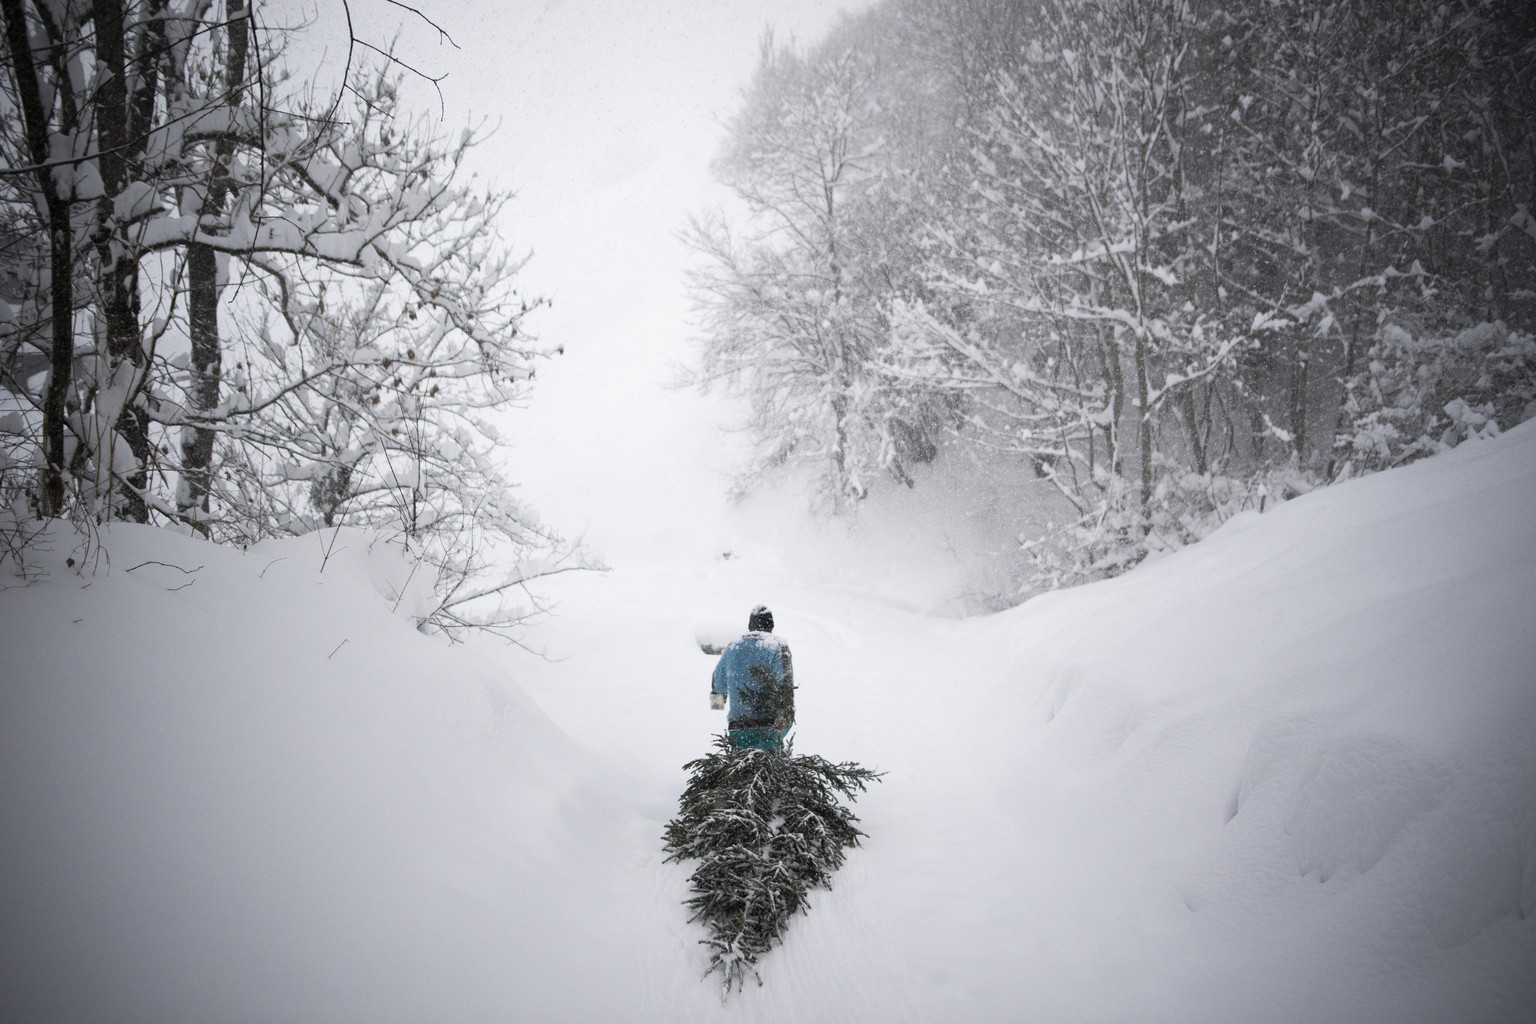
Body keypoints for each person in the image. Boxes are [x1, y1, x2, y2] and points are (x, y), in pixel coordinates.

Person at [710, 604, 795, 753]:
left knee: (740, 767)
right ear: (771, 626)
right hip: (769, 724)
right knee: (771, 769)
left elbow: (717, 682)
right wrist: (784, 718)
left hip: (738, 726)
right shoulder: (778, 646)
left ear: (750, 626)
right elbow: (785, 685)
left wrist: (718, 704)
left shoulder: (733, 647)